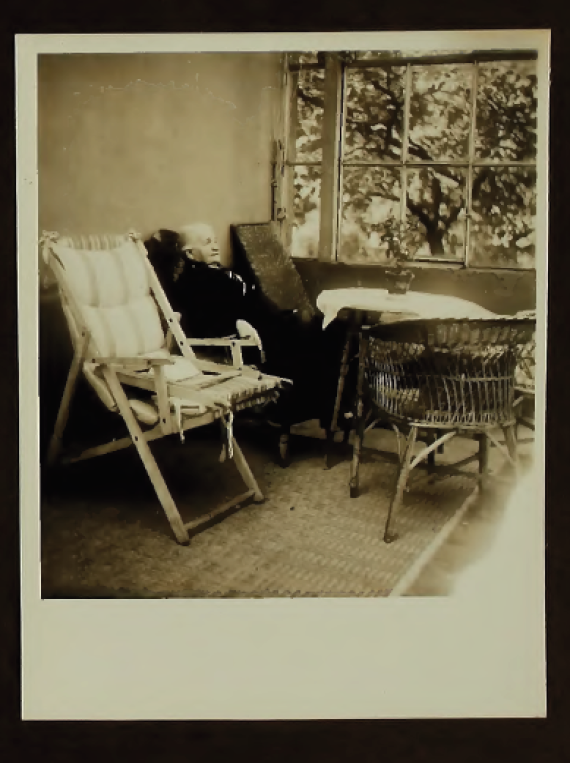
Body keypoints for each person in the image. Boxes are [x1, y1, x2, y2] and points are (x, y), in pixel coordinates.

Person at [144, 224, 353, 434]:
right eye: (207, 243)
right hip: (254, 338)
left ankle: (335, 407)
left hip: (272, 322)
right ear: (189, 253)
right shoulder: (196, 280)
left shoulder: (221, 273)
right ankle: (330, 409)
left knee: (335, 330)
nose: (216, 246)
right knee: (323, 340)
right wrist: (235, 322)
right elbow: (204, 318)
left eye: (215, 240)